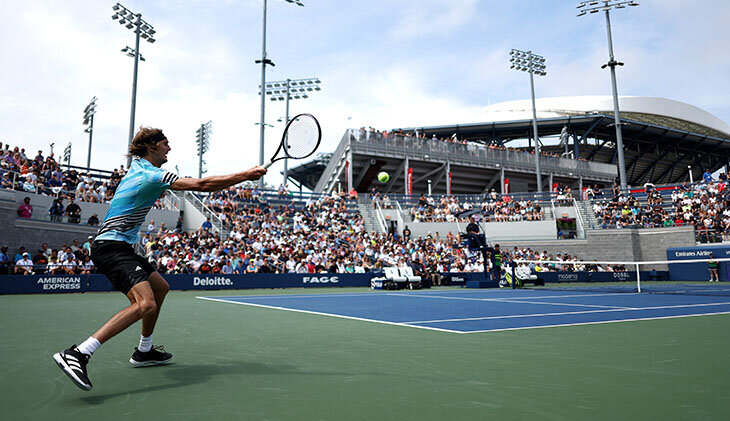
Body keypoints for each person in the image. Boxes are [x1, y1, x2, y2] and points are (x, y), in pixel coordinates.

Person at [52, 126, 267, 392]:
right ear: (152, 147)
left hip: (124, 247)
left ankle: (144, 351)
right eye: (166, 144)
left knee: (160, 288)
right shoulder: (150, 174)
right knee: (145, 304)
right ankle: (79, 353)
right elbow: (202, 185)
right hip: (111, 247)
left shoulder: (140, 168)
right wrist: (245, 175)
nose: (169, 148)